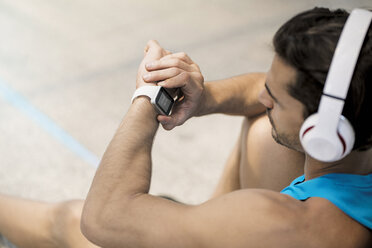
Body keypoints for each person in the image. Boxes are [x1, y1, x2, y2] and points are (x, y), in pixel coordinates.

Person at [0, 7, 371, 248]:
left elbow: (104, 218)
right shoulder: (360, 113)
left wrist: (147, 97)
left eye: (277, 97)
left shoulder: (285, 225)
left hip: (259, 229)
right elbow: (261, 88)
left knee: (70, 221)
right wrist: (204, 97)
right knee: (266, 132)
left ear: (326, 132)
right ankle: (195, 216)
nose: (264, 97)